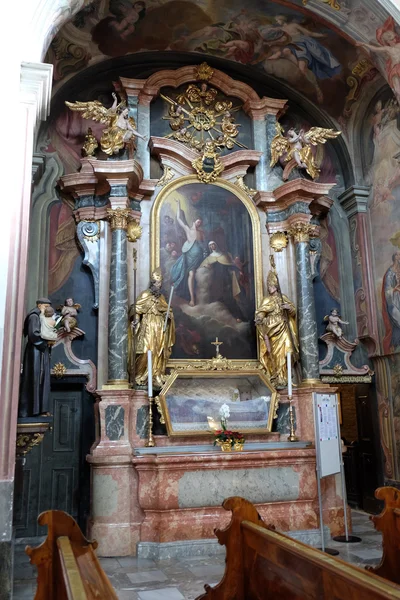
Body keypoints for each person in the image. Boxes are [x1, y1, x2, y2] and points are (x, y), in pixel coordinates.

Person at [128, 268, 175, 388]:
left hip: (159, 328)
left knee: (158, 352)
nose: (159, 286)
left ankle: (156, 375)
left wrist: (168, 315)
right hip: (147, 326)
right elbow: (137, 308)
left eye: (160, 284)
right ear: (152, 283)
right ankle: (140, 376)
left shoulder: (161, 298)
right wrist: (136, 320)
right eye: (157, 283)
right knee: (145, 350)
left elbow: (166, 310)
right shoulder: (145, 294)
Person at [255, 271, 299, 388]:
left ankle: (285, 378)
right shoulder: (266, 300)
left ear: (276, 286)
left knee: (288, 351)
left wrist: (289, 308)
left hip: (284, 328)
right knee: (274, 354)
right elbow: (260, 314)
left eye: (272, 286)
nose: (270, 289)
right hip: (272, 331)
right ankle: (277, 377)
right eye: (269, 286)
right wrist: (259, 318)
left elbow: (293, 311)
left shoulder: (283, 298)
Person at [19, 298, 52, 417]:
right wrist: (45, 343)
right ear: (40, 306)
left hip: (41, 350)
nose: (48, 309)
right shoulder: (34, 316)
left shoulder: (42, 316)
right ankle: (33, 410)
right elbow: (33, 334)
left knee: (42, 379)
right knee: (35, 377)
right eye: (46, 306)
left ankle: (41, 409)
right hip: (35, 351)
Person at [199, 241, 245, 321]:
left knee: (229, 299)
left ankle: (238, 317)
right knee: (215, 299)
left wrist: (238, 271)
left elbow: (230, 265)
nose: (212, 246)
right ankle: (216, 318)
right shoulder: (209, 258)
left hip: (225, 281)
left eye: (213, 244)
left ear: (216, 245)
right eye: (210, 245)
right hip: (215, 283)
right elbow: (202, 268)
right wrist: (206, 267)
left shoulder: (224, 256)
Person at [170, 199, 205, 306]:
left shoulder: (201, 233)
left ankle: (195, 298)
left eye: (200, 222)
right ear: (194, 221)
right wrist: (178, 204)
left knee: (195, 275)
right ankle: (192, 299)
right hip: (189, 256)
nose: (199, 223)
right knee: (191, 275)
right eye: (198, 221)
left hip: (198, 257)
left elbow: (204, 246)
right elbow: (178, 218)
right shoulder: (188, 230)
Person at [382, 251, 400, 353]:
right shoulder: (389, 273)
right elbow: (387, 292)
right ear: (395, 257)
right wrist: (396, 289)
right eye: (398, 255)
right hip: (393, 302)